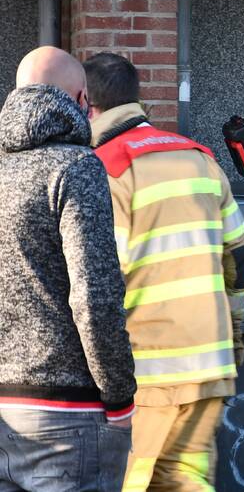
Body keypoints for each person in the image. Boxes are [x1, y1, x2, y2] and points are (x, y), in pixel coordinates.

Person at [84, 53, 244, 491]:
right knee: (187, 482)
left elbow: (98, 284)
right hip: (207, 368)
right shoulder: (198, 157)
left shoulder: (105, 170)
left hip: (146, 379)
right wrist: (232, 338)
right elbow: (241, 257)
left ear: (88, 105)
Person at [0, 46, 136, 491]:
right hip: (67, 414)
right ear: (81, 100)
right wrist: (119, 396)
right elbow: (94, 298)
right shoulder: (76, 167)